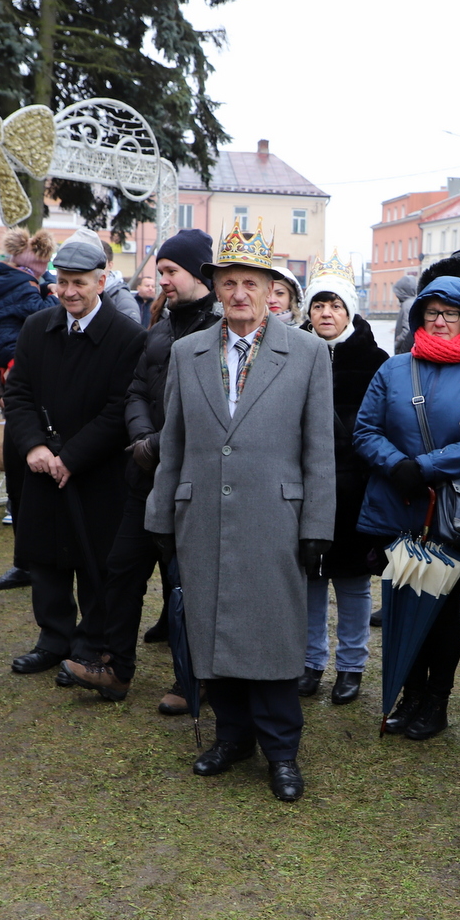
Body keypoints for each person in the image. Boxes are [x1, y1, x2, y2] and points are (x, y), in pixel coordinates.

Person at [147, 221, 336, 803]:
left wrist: (317, 527)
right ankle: (232, 737)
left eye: (251, 283)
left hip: (275, 520)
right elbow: (172, 441)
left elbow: (319, 449)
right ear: (217, 287)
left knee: (274, 638)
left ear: (272, 289)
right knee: (211, 629)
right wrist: (161, 514)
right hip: (201, 514)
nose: (239, 294)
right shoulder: (187, 352)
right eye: (229, 282)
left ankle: (281, 751)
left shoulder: (306, 353)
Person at [62, 230, 217, 711]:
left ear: (198, 274)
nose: (162, 281)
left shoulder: (217, 330)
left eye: (170, 272)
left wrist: (157, 442)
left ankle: (190, 681)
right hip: (144, 475)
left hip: (190, 480)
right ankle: (115, 669)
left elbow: (210, 411)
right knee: (123, 569)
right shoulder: (161, 328)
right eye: (160, 272)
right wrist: (141, 438)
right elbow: (134, 391)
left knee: (183, 580)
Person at [3, 235, 145, 686]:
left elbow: (119, 408)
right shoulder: (36, 327)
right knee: (45, 559)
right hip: (42, 467)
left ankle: (90, 645)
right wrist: (34, 447)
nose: (69, 292)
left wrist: (73, 457)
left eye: (79, 283)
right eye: (62, 282)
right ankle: (53, 639)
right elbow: (19, 393)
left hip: (96, 472)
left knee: (95, 561)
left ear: (101, 281)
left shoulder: (127, 336)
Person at [354, 275, 460, 735]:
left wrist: (425, 465)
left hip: (451, 511)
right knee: (401, 599)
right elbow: (365, 430)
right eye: (432, 313)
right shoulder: (393, 369)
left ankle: (436, 702)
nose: (441, 321)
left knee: (443, 608)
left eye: (450, 313)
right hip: (399, 503)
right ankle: (408, 695)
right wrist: (396, 465)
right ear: (418, 318)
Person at [290, 254, 389, 705]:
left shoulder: (375, 360)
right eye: (318, 305)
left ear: (350, 310)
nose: (326, 313)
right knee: (309, 579)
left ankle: (350, 666)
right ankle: (310, 662)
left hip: (354, 491)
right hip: (306, 489)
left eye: (335, 305)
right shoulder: (293, 355)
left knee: (351, 583)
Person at [0, 227, 58, 592]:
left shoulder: (5, 285)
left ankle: (29, 562)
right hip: (28, 398)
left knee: (23, 485)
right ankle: (29, 563)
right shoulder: (28, 291)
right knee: (24, 484)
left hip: (21, 399)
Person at [391, 275, 418, 353]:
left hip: (404, 349)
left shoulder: (407, 305)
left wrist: (398, 341)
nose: (396, 295)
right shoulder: (415, 301)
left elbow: (407, 330)